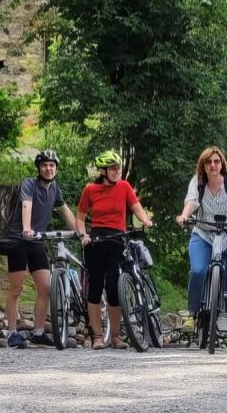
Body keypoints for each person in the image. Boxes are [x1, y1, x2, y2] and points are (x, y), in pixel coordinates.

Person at [175, 146, 227, 351]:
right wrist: (184, 216)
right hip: (203, 234)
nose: (213, 165)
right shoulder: (198, 182)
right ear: (202, 166)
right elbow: (191, 201)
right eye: (208, 162)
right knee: (197, 271)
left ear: (222, 164)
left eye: (216, 161)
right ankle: (192, 315)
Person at [0, 149, 79, 348]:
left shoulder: (54, 189)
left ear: (56, 169)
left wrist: (79, 232)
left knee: (45, 288)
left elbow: (65, 211)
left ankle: (38, 332)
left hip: (37, 242)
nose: (48, 168)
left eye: (52, 165)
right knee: (16, 288)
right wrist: (26, 229)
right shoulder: (29, 184)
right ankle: (11, 333)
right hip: (18, 240)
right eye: (44, 165)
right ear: (39, 168)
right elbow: (26, 205)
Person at [75, 150, 153, 350]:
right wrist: (84, 235)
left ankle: (116, 337)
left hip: (118, 240)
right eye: (112, 168)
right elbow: (80, 217)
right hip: (97, 241)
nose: (117, 171)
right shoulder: (90, 189)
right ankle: (98, 336)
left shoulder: (125, 187)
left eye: (118, 167)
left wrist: (145, 220)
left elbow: (136, 207)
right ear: (103, 171)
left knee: (113, 289)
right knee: (94, 289)